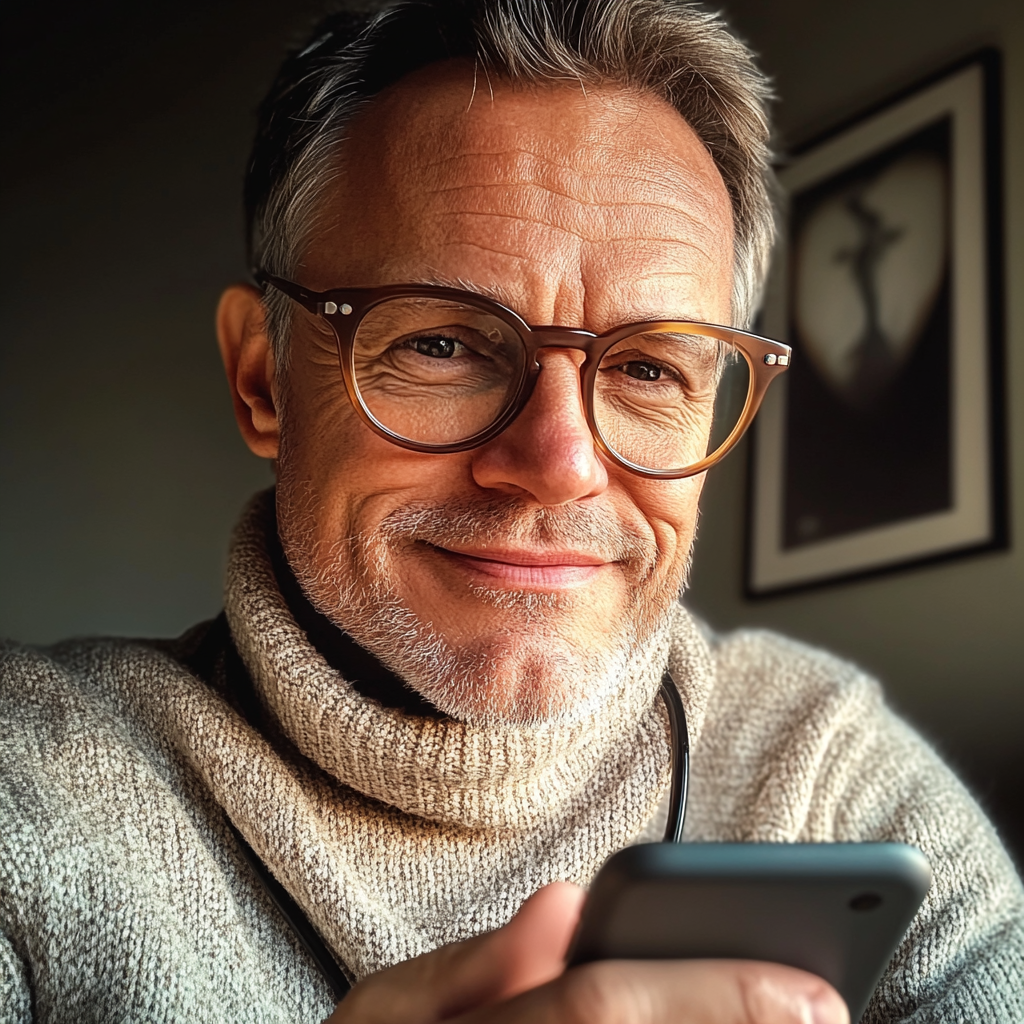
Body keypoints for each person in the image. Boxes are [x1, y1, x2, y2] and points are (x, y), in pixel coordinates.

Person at [1, 1, 1021, 1022]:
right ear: (262, 378)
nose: (559, 465)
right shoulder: (32, 787)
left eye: (647, 366)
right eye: (442, 343)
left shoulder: (828, 772)